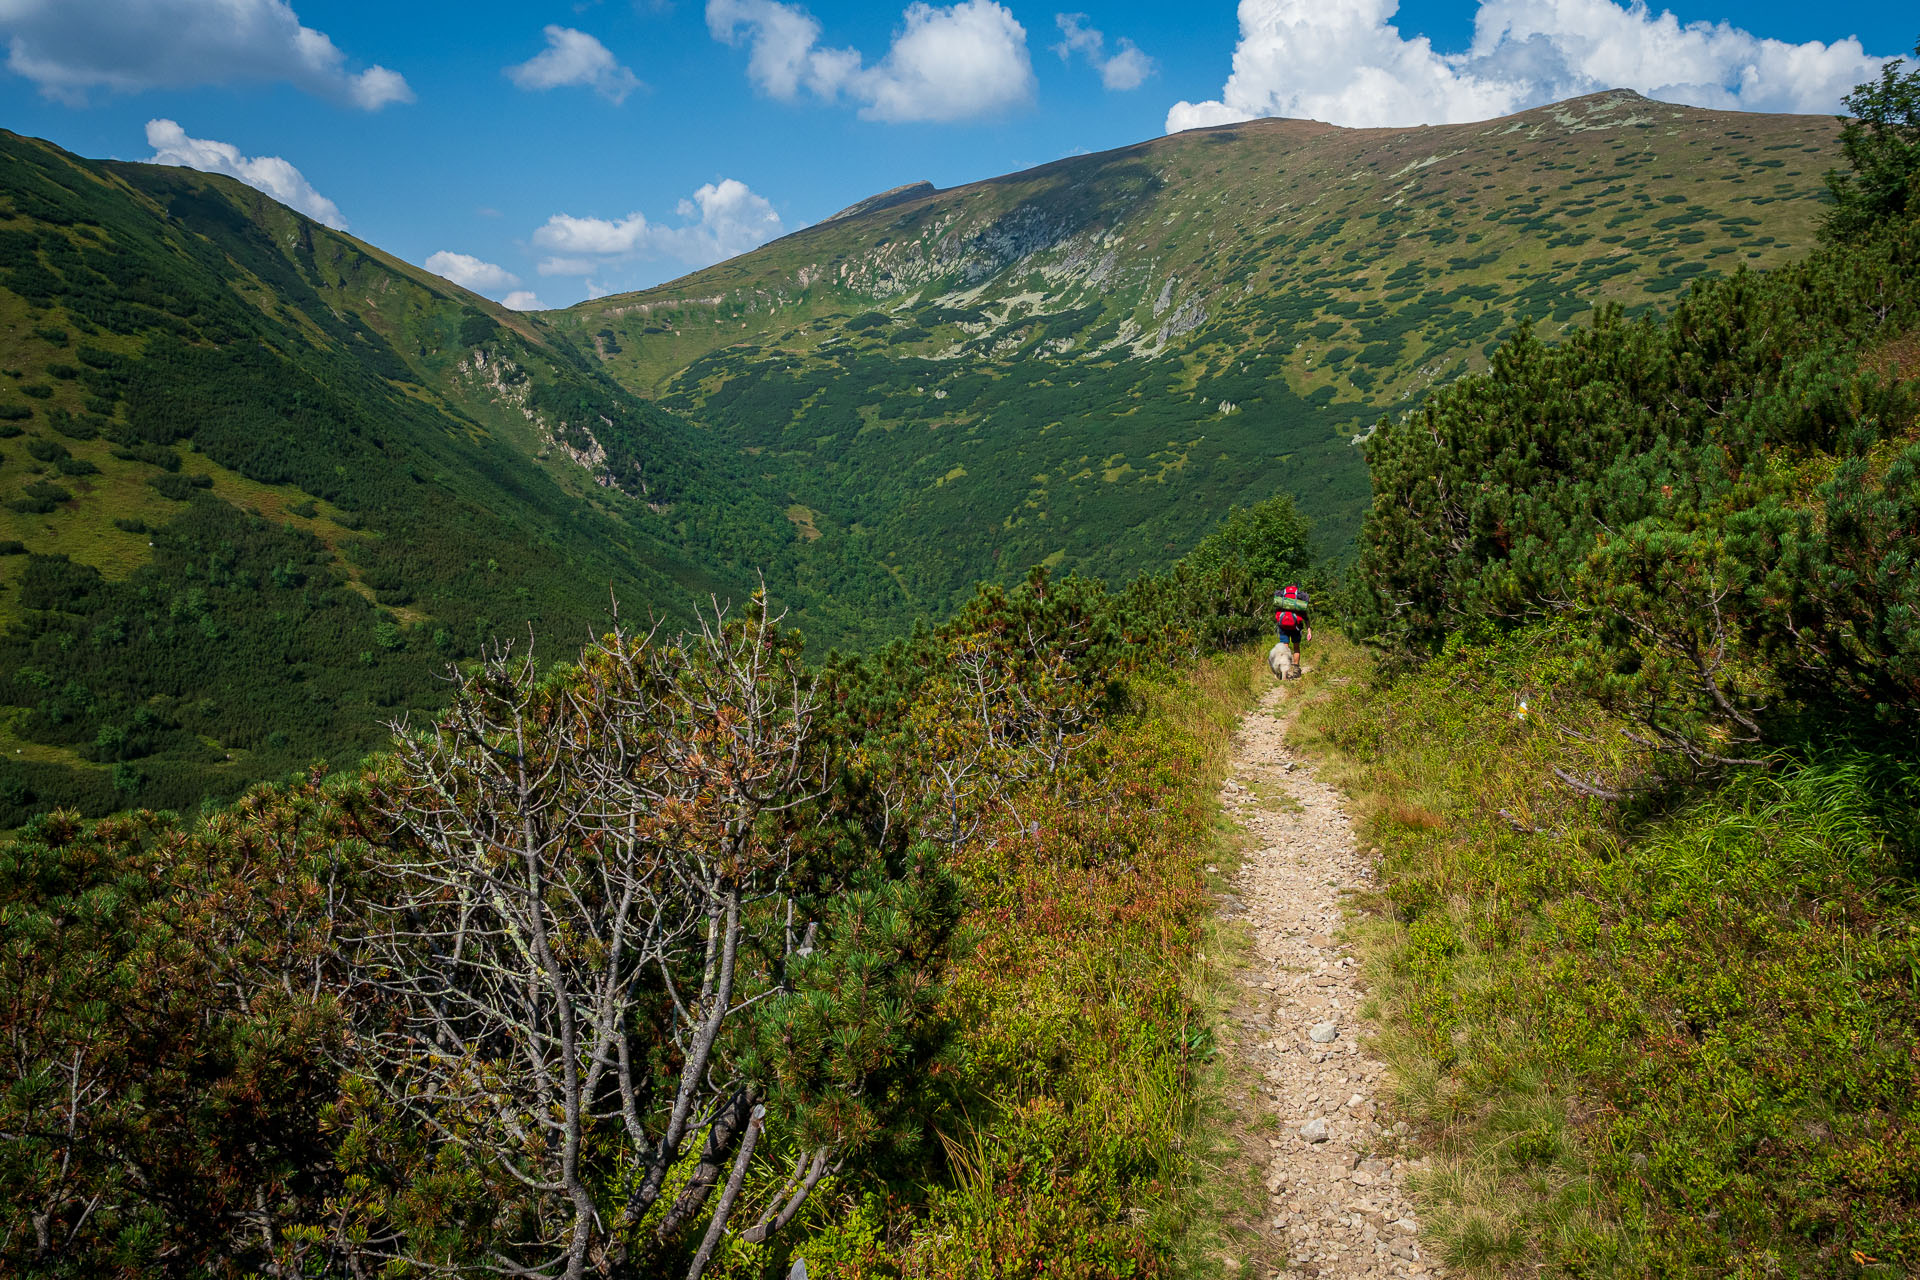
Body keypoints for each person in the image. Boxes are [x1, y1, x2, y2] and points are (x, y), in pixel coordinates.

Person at [1269, 584, 1312, 679]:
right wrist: (1309, 630)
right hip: (1296, 626)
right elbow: (1306, 618)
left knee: (1285, 649)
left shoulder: (1283, 598)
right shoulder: (1298, 600)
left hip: (1283, 626)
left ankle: (1284, 671)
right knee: (1296, 648)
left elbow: (1276, 612)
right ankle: (1296, 670)